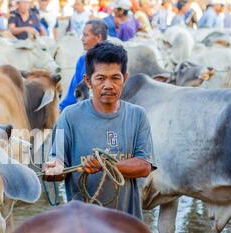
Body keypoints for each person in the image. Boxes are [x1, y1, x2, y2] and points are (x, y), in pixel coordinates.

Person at [44, 41, 156, 219]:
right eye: (101, 78)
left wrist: (104, 165)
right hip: (82, 224)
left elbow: (144, 166)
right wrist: (53, 170)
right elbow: (56, 161)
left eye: (115, 78)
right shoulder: (69, 116)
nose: (108, 85)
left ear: (125, 78)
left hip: (127, 223)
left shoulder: (137, 115)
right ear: (88, 81)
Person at [59, 19, 107, 111]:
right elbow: (72, 94)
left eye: (86, 35)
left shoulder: (113, 61)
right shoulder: (83, 60)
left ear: (98, 37)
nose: (82, 39)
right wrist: (61, 110)